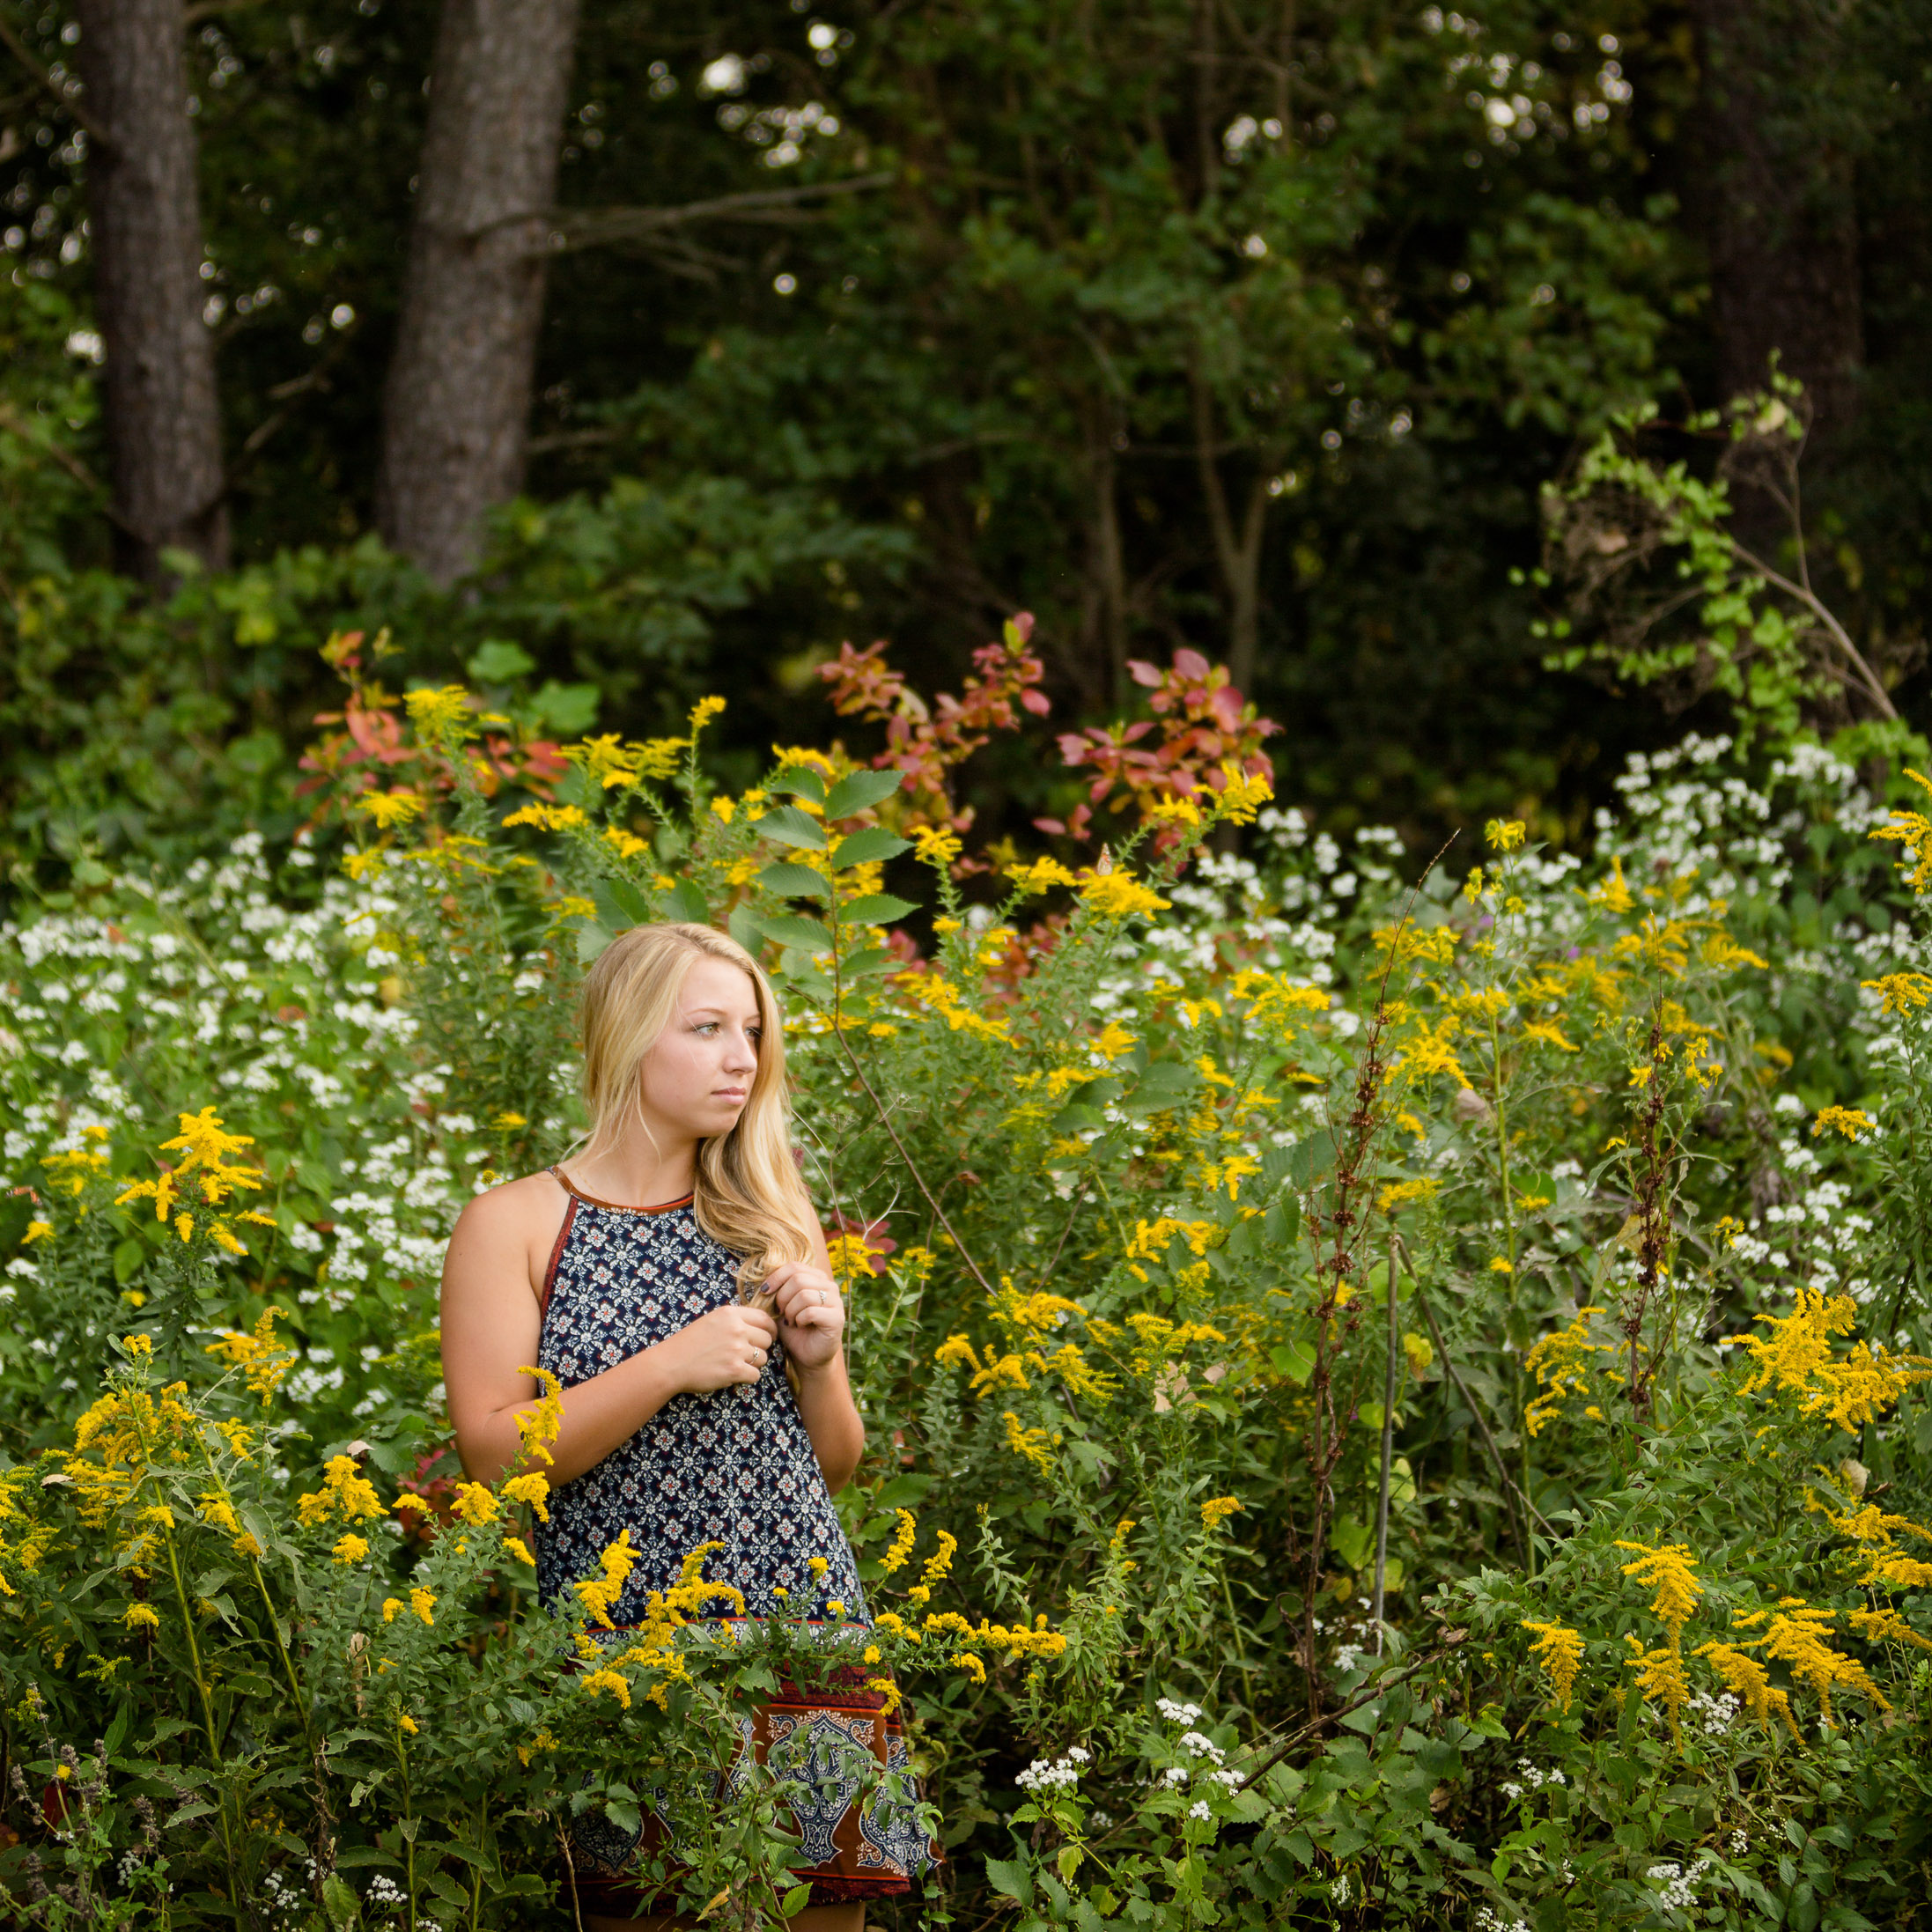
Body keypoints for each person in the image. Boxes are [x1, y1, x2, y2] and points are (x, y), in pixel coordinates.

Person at [440, 922, 936, 1932]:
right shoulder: (520, 1221)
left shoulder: (767, 1215)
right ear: (626, 1038)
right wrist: (669, 1365)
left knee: (820, 1918)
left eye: (751, 1029)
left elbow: (831, 1468)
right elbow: (495, 1456)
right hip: (629, 1655)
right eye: (707, 1027)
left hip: (802, 1633)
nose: (742, 1057)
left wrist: (823, 1358)